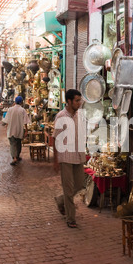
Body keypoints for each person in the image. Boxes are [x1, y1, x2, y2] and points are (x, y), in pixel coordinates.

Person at [52, 89, 86, 228]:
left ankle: (61, 200)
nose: (80, 103)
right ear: (69, 101)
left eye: (80, 100)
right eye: (77, 100)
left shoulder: (80, 115)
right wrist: (55, 160)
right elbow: (54, 138)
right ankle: (70, 218)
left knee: (80, 185)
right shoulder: (61, 116)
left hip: (78, 155)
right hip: (65, 156)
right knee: (69, 188)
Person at [2, 96, 30, 166]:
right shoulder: (22, 110)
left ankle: (15, 157)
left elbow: (7, 120)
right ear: (21, 102)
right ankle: (16, 156)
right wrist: (26, 130)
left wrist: (7, 127)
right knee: (18, 142)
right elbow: (25, 121)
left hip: (11, 129)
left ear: (15, 102)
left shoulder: (10, 109)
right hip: (19, 129)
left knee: (12, 143)